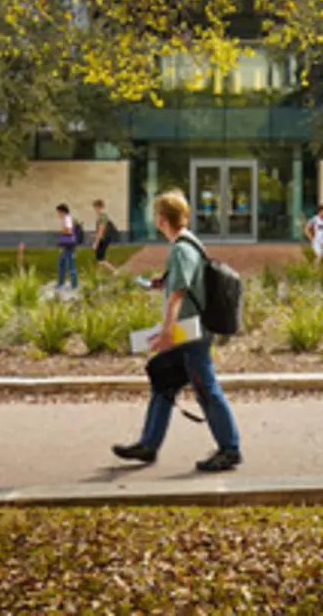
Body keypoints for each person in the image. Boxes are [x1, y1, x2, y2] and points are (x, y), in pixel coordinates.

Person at [111, 189, 242, 472]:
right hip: (187, 331)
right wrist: (161, 282)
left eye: (157, 214)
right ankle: (148, 445)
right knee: (163, 381)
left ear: (162, 218)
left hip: (189, 334)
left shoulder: (181, 249)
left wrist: (167, 332)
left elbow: (178, 294)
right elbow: (182, 283)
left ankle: (230, 449)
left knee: (206, 389)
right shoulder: (189, 243)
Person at [54, 203, 84, 291]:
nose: (58, 214)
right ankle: (62, 283)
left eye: (58, 212)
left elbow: (69, 231)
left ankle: (73, 284)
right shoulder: (67, 218)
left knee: (69, 264)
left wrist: (62, 231)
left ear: (62, 211)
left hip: (69, 244)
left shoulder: (67, 218)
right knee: (62, 262)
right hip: (68, 244)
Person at [90, 199, 120, 274]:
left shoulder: (102, 217)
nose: (95, 210)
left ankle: (115, 271)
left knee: (100, 259)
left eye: (96, 207)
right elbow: (100, 231)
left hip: (103, 240)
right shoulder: (101, 217)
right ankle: (99, 274)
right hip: (103, 239)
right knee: (99, 259)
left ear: (100, 207)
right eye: (95, 208)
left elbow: (101, 231)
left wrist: (95, 243)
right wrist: (95, 235)